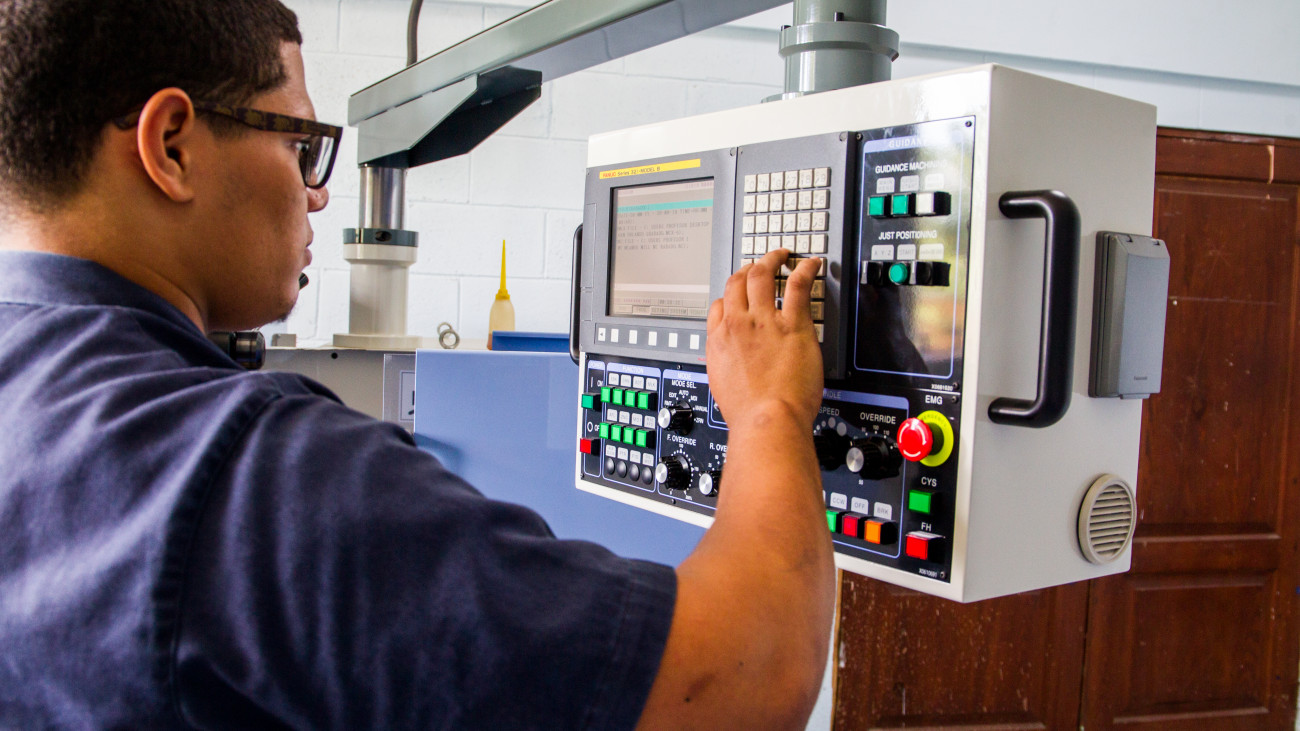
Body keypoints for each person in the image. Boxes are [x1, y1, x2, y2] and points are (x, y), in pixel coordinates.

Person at [0, 1, 834, 728]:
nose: (317, 192)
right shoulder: (258, 478)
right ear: (172, 146)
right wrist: (769, 409)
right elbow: (746, 677)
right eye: (301, 147)